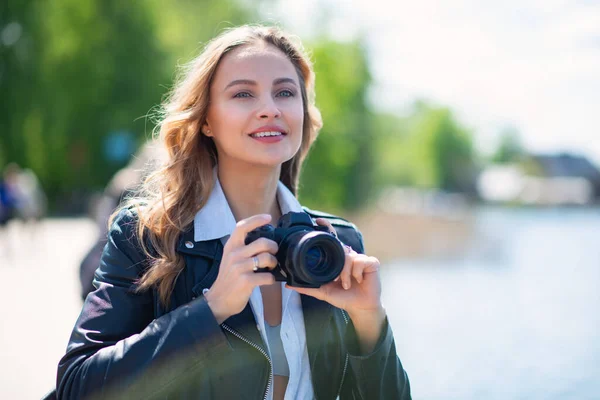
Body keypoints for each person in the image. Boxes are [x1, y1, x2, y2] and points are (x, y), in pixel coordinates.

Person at [56, 25, 411, 399]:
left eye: (285, 93)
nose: (270, 110)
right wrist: (211, 310)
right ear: (206, 120)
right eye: (243, 93)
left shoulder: (336, 245)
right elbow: (78, 386)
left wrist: (370, 320)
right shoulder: (147, 237)